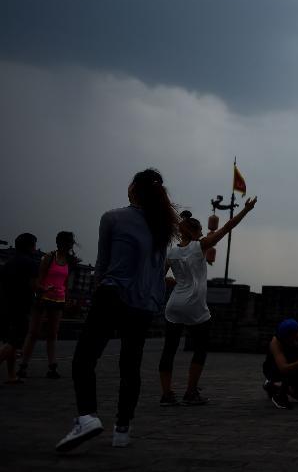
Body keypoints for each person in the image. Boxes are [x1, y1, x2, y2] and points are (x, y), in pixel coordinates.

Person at [56, 169, 179, 452]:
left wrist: (99, 291)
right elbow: (158, 272)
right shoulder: (162, 227)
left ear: (134, 188)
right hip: (144, 305)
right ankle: (122, 430)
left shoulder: (113, 217)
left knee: (84, 359)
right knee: (130, 367)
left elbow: (102, 265)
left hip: (112, 295)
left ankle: (87, 416)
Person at [158, 200, 257, 406]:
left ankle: (166, 394)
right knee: (201, 347)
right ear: (194, 232)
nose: (203, 233)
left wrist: (177, 282)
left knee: (169, 349)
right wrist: (246, 210)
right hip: (195, 305)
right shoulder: (200, 246)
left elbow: (159, 278)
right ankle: (191, 391)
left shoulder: (171, 253)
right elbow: (227, 227)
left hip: (174, 304)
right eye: (201, 230)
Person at [18, 231, 77, 380]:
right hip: (43, 298)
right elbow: (39, 279)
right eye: (66, 242)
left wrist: (67, 299)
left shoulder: (69, 261)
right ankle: (23, 365)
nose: (68, 245)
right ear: (59, 243)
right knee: (34, 333)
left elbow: (66, 283)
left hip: (58, 300)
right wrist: (41, 291)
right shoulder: (49, 258)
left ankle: (52, 366)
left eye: (70, 243)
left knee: (52, 334)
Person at [0, 233, 39, 384]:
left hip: (6, 306)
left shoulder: (9, 263)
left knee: (11, 341)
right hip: (22, 306)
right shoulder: (31, 263)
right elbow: (34, 286)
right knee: (15, 342)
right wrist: (44, 289)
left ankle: (11, 376)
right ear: (31, 246)